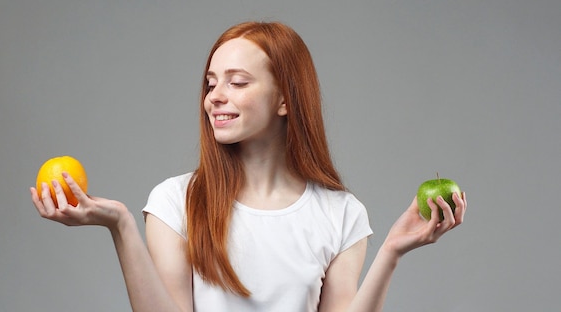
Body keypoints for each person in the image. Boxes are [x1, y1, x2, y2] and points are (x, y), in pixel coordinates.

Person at [31, 21, 467, 312]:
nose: (215, 96)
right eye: (211, 83)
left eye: (237, 82)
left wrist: (391, 251)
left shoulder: (341, 213)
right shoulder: (174, 201)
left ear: (284, 99)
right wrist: (121, 225)